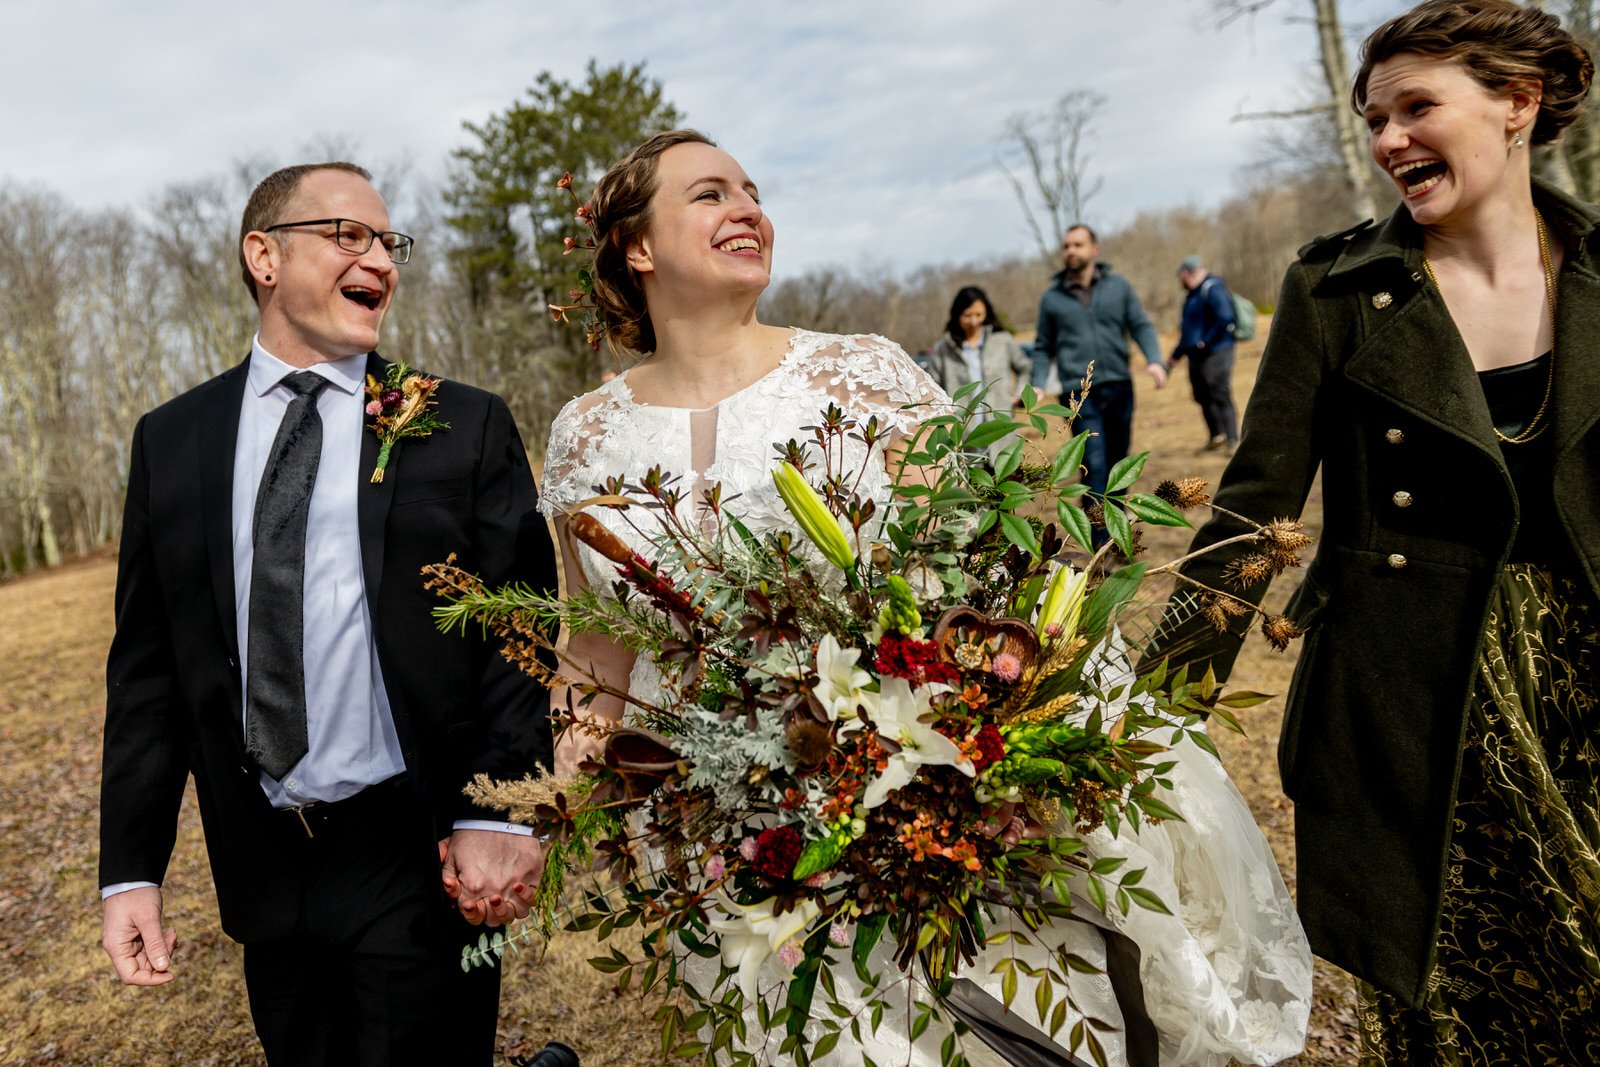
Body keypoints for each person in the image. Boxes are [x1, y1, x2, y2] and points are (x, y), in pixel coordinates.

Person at [538, 129, 1310, 1067]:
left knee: (986, 1035)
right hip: (717, 829)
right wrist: (574, 781)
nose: (747, 207)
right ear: (637, 245)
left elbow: (978, 577)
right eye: (709, 194)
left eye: (753, 189)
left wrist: (960, 755)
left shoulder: (861, 374)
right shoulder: (584, 432)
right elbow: (596, 646)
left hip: (918, 789)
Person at [1146, 2, 1600, 1061]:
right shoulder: (1337, 287)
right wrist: (1152, 718)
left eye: (1415, 107)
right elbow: (1255, 508)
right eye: (1373, 117)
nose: (1390, 138)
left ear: (1516, 106)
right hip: (1406, 697)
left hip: (1583, 687)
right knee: (1455, 1002)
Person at [99, 162, 559, 1066]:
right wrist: (130, 870)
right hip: (262, 864)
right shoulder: (173, 440)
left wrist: (499, 812)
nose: (381, 259)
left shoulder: (458, 425)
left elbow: (522, 632)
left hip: (414, 849)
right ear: (262, 255)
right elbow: (149, 669)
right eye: (350, 235)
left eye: (390, 242)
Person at [1030, 225, 1168, 506]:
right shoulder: (1052, 298)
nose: (1070, 251)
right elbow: (1043, 345)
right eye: (1066, 245)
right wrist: (1038, 383)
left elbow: (1139, 324)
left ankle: (1114, 526)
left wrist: (1154, 360)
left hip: (1119, 384)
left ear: (1094, 249)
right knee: (1093, 462)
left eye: (1078, 245)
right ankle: (1099, 538)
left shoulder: (1118, 287)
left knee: (1119, 462)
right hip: (1078, 393)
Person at [922, 285, 1031, 456]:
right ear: (957, 314)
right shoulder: (943, 349)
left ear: (987, 312)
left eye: (979, 315)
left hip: (1002, 434)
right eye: (967, 315)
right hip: (964, 440)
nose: (974, 322)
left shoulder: (1002, 341)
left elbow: (1025, 368)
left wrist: (1020, 394)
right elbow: (931, 388)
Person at [1168, 255, 1239, 453]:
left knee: (1219, 393)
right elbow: (1187, 332)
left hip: (1217, 352)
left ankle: (1233, 440)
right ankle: (1217, 436)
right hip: (1195, 356)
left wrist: (1205, 341)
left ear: (1185, 273)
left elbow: (1226, 319)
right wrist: (1175, 356)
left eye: (1180, 277)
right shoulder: (1192, 296)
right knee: (1202, 396)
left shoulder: (1213, 288)